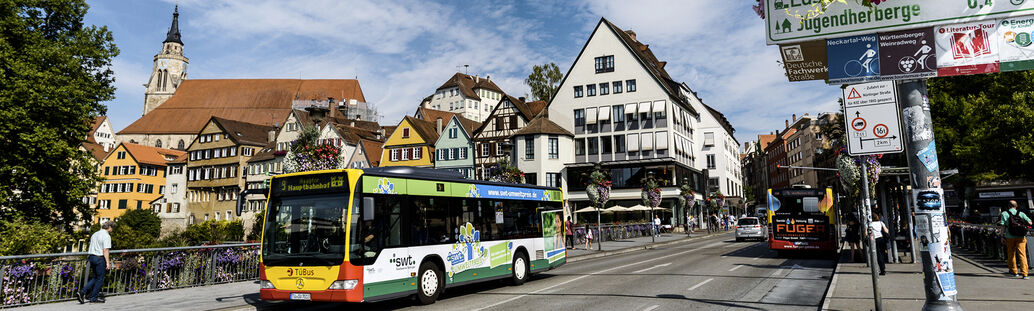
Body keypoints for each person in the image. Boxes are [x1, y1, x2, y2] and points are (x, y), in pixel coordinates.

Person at [78, 221, 114, 304]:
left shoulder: (95, 234)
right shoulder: (106, 236)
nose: (112, 230)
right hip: (99, 258)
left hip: (92, 257)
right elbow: (105, 250)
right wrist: (108, 262)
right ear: (109, 228)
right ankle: (93, 298)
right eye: (112, 228)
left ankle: (83, 292)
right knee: (100, 279)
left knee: (95, 277)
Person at [999, 200, 1031, 279]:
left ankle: (1014, 272)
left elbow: (1002, 226)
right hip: (1021, 237)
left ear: (1008, 206)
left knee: (1011, 254)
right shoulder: (1021, 213)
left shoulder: (1004, 213)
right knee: (1022, 254)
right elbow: (1030, 223)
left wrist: (1002, 236)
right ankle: (1025, 274)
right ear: (1016, 206)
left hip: (1009, 237)